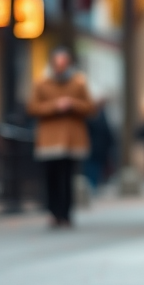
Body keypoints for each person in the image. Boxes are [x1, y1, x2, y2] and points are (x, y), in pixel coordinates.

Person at [26, 48, 93, 228]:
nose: (61, 67)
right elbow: (32, 108)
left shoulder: (78, 83)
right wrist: (55, 106)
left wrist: (72, 104)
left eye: (64, 63)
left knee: (67, 177)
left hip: (72, 138)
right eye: (58, 63)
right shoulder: (41, 83)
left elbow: (90, 107)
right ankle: (53, 212)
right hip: (49, 138)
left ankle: (66, 213)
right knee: (51, 177)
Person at [83, 100, 115, 191]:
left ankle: (92, 186)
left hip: (93, 147)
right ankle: (93, 186)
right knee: (94, 167)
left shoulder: (90, 117)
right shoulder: (101, 116)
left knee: (92, 167)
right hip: (97, 147)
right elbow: (108, 132)